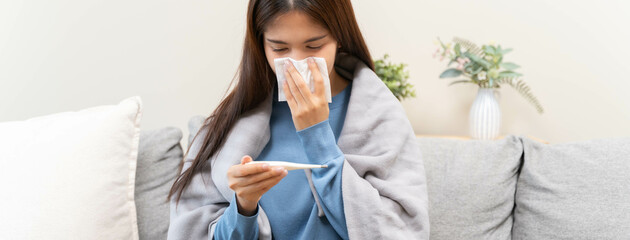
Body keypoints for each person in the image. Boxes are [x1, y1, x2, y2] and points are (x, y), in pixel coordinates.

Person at [167, 0, 430, 239]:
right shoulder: (230, 123)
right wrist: (244, 206)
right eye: (279, 48)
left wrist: (316, 134)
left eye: (314, 46)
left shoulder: (379, 114)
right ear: (261, 45)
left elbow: (395, 231)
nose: (296, 62)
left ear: (339, 37)